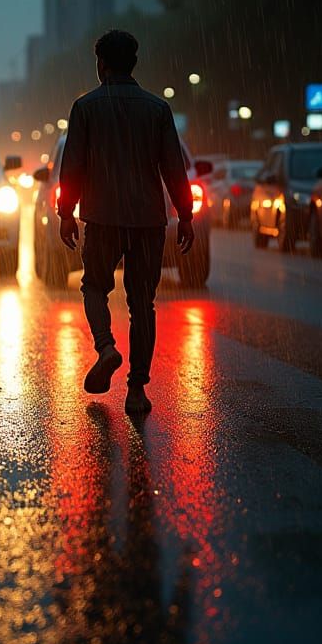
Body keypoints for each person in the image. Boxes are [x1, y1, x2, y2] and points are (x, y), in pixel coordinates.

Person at [58, 30, 194, 415]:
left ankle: (106, 348)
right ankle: (137, 390)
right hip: (148, 219)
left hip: (102, 217)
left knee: (94, 287)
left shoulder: (85, 107)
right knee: (142, 304)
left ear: (102, 65)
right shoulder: (156, 109)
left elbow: (73, 167)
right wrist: (185, 215)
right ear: (133, 63)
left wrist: (66, 214)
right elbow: (173, 168)